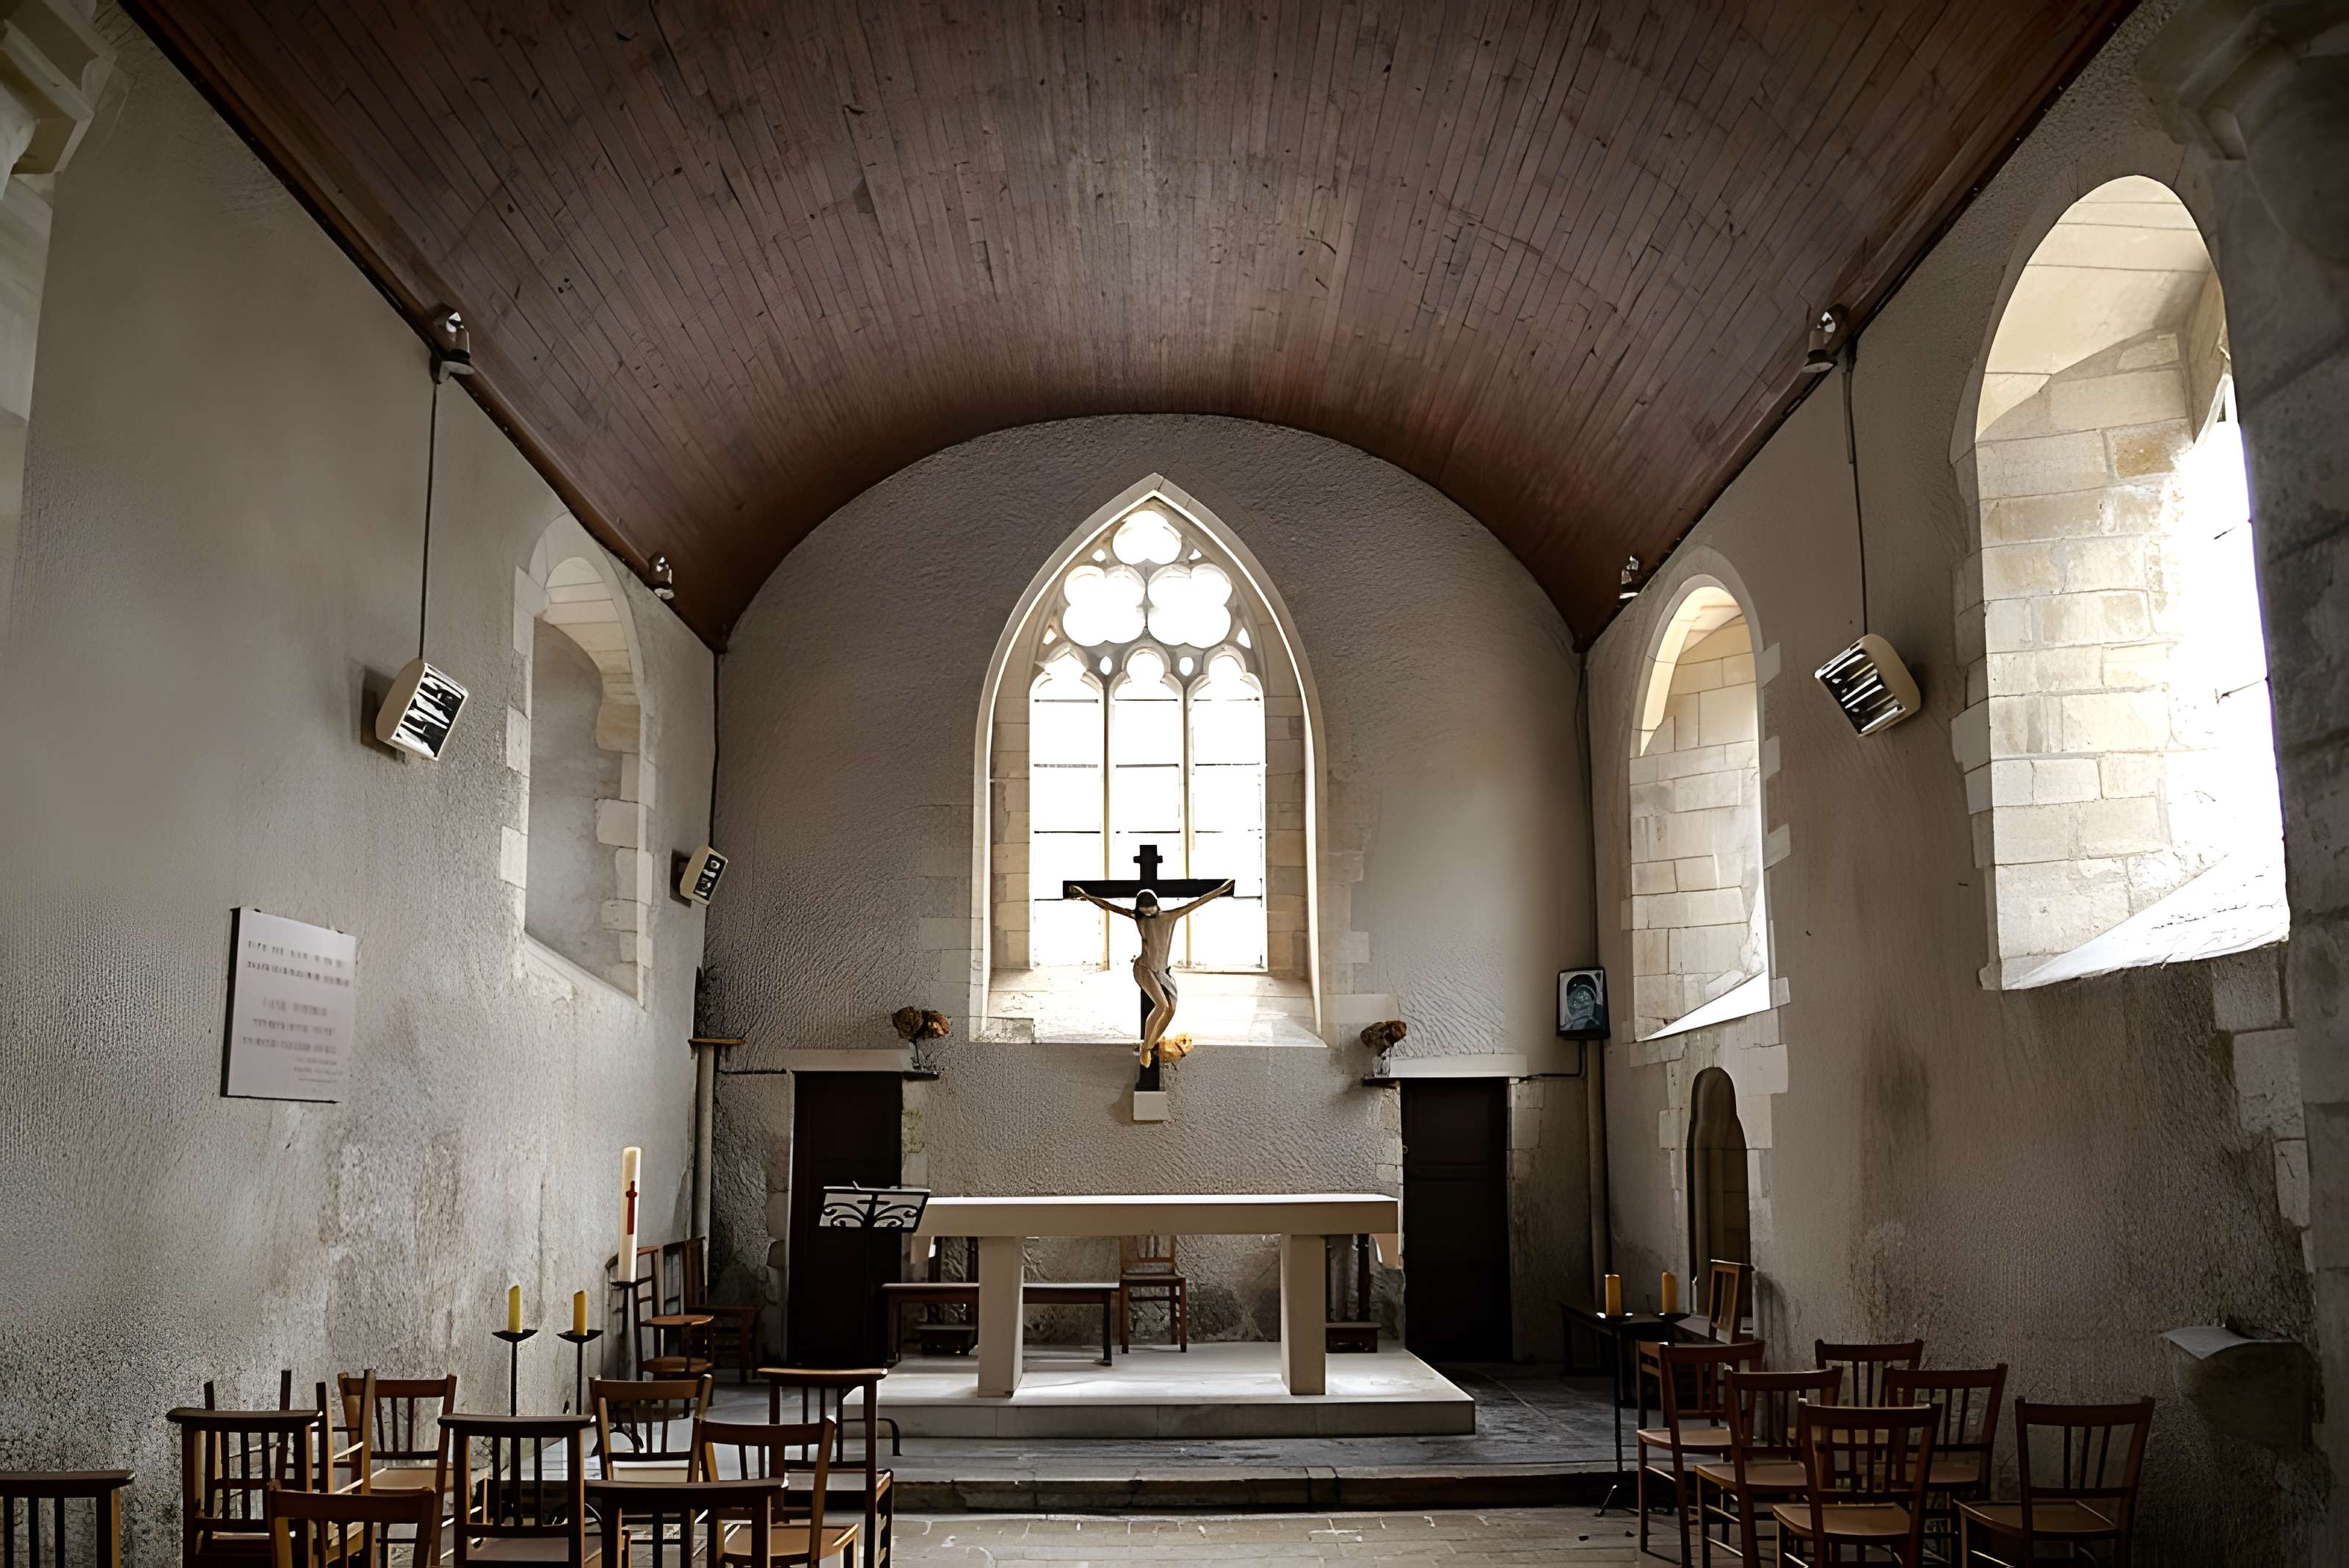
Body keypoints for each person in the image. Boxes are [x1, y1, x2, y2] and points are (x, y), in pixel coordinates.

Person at [1065, 880, 1235, 1066]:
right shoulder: (1139, 918)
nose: (1148, 913)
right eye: (1144, 910)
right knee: (1161, 1006)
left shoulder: (1171, 916)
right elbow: (1109, 906)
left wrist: (1221, 890)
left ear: (1156, 905)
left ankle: (1150, 1043)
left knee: (1171, 1009)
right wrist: (1087, 896)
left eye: (1150, 909)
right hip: (1144, 968)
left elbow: (1197, 902)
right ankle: (1146, 1049)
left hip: (1162, 971)